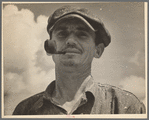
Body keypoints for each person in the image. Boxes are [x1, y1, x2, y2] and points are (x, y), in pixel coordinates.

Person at [13, 5, 145, 115]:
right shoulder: (25, 110)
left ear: (97, 51)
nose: (70, 41)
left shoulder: (125, 106)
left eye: (82, 34)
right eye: (62, 34)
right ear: (49, 47)